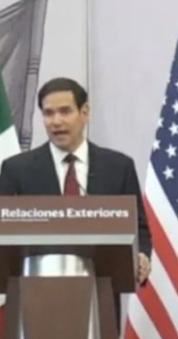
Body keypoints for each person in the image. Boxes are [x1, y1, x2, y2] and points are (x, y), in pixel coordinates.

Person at [0, 77, 151, 285]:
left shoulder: (118, 167)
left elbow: (138, 227)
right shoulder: (16, 169)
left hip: (101, 290)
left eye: (65, 111)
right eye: (49, 113)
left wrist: (141, 255)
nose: (56, 121)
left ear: (85, 112)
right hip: (35, 291)